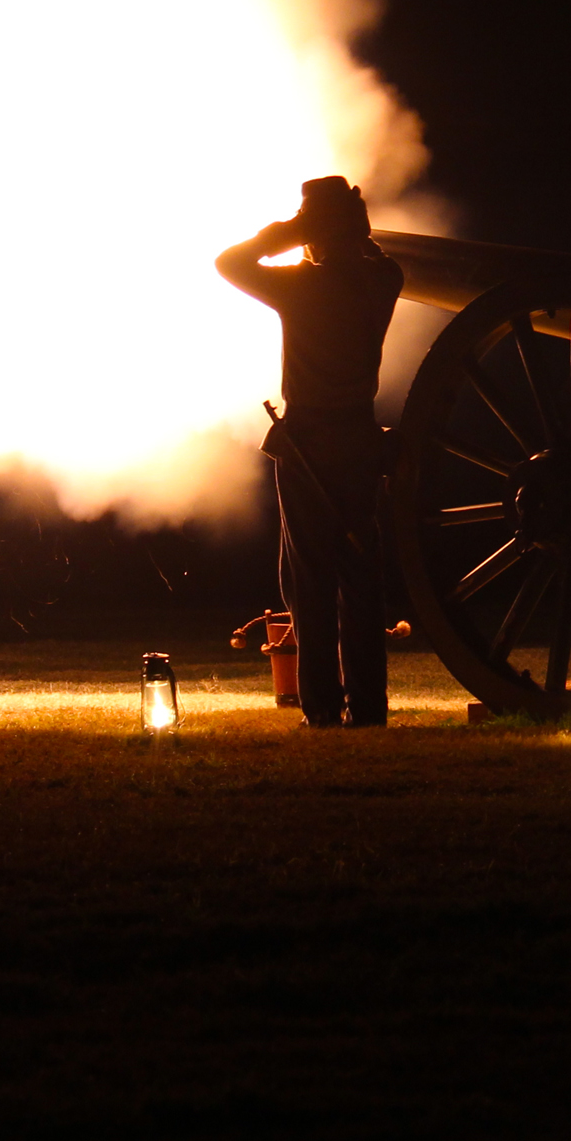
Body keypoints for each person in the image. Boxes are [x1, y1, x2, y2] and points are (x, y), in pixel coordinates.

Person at [218, 177, 405, 728]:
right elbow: (375, 256)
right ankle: (369, 708)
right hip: (360, 442)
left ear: (315, 228)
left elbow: (230, 262)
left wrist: (287, 232)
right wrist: (338, 229)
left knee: (311, 583)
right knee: (361, 582)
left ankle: (322, 707)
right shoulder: (384, 278)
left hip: (308, 445)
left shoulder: (301, 286)